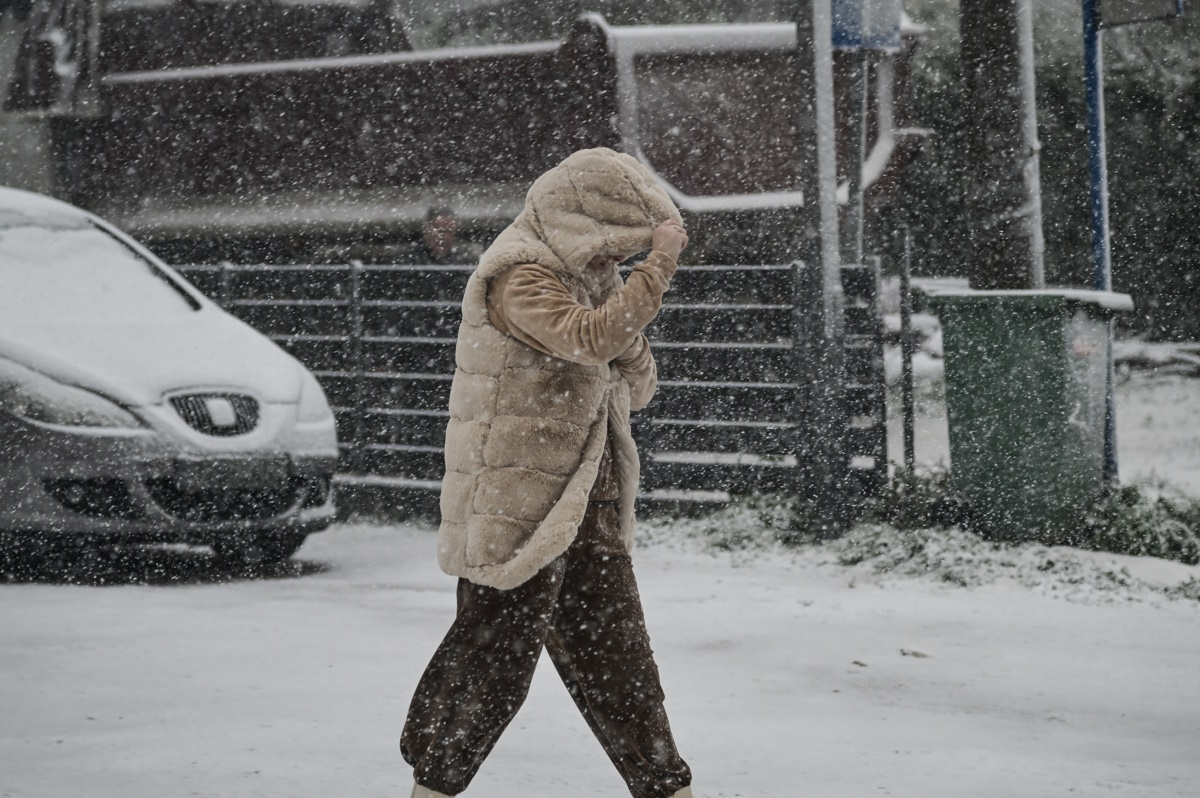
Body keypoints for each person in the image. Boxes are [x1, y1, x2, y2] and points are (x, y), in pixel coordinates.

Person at [400, 147, 694, 798]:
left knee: (625, 672)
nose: (613, 264)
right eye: (611, 248)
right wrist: (658, 268)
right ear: (580, 225)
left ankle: (670, 789)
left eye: (625, 254)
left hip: (586, 509)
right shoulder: (518, 276)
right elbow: (586, 340)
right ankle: (431, 790)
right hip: (521, 512)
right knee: (489, 670)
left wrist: (624, 307)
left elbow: (639, 384)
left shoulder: (591, 283)